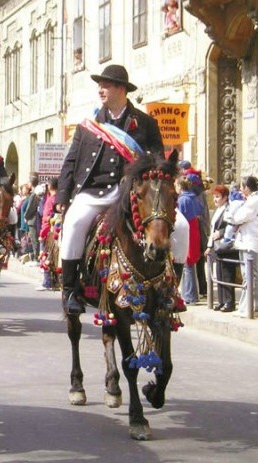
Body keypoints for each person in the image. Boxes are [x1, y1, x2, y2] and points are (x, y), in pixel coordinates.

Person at [55, 64, 164, 314]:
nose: (100, 90)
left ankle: (167, 289)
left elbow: (157, 161)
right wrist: (63, 195)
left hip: (130, 194)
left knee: (175, 227)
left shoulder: (145, 124)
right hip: (93, 193)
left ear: (121, 89)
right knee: (73, 224)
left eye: (106, 85)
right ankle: (71, 290)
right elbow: (71, 161)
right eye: (99, 85)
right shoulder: (88, 126)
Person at [224, 176, 258, 317]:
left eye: (242, 187)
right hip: (246, 240)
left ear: (247, 187)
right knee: (250, 275)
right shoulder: (252, 200)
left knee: (250, 276)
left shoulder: (254, 201)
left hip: (250, 241)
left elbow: (237, 218)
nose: (241, 190)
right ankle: (254, 305)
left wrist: (231, 215)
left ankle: (250, 306)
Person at [205, 184, 238, 312]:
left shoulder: (229, 209)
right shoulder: (218, 209)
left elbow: (232, 226)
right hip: (216, 245)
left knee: (227, 273)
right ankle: (221, 300)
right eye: (214, 197)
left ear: (225, 197)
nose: (215, 199)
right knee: (218, 274)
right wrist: (209, 246)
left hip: (226, 245)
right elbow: (212, 229)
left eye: (218, 197)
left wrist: (222, 233)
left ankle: (229, 302)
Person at [176, 176, 203, 304]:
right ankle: (190, 293)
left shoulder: (182, 200)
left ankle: (190, 295)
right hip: (194, 230)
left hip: (186, 232)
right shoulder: (194, 198)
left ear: (180, 187)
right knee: (190, 265)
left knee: (187, 265)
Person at [37, 177, 58, 290]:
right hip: (58, 231)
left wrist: (42, 233)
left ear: (49, 186)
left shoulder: (50, 200)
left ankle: (47, 282)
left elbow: (46, 218)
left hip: (49, 232)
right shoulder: (61, 198)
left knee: (45, 256)